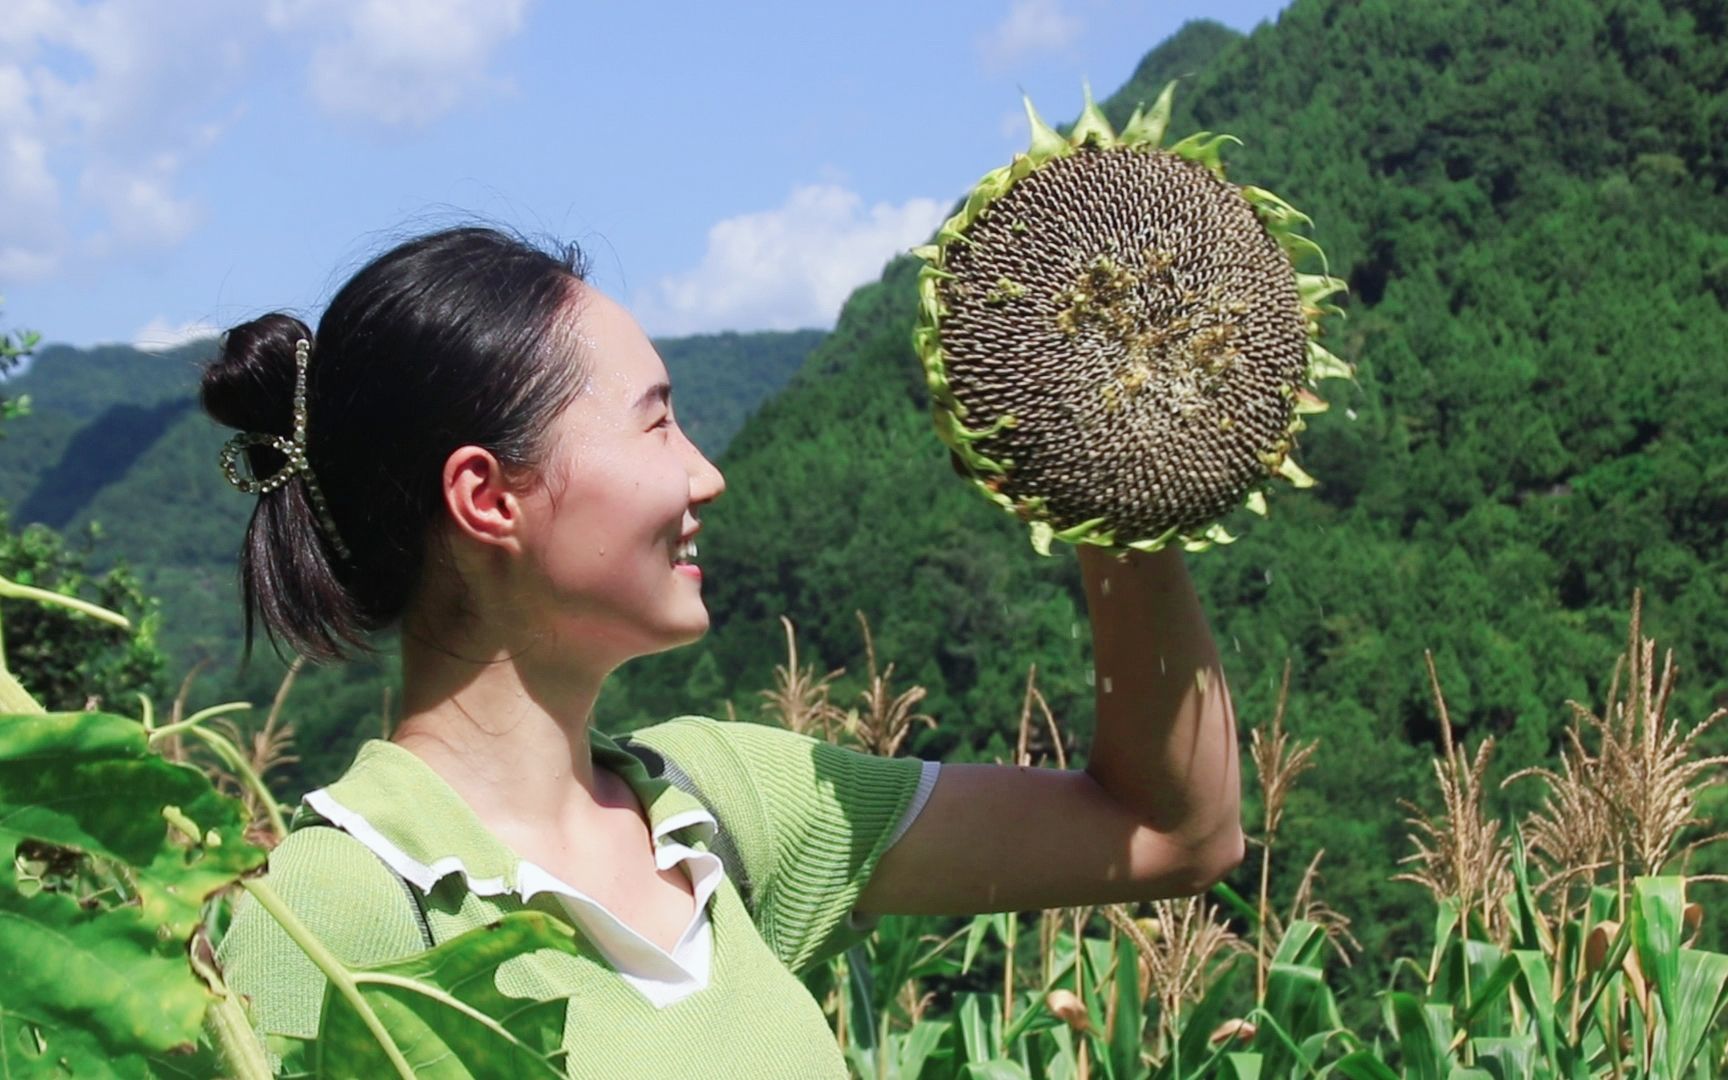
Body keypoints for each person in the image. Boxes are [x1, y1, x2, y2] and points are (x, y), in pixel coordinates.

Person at [212, 226, 1243, 1078]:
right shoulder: (330, 916)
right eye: (657, 424)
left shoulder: (722, 807)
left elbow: (1165, 830)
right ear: (489, 499)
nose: (707, 476)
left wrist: (1111, 473)